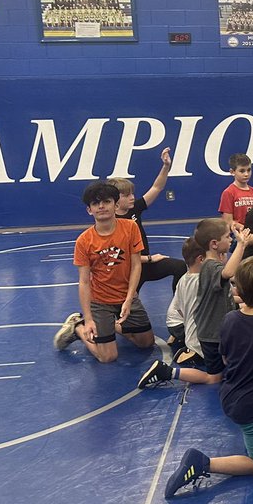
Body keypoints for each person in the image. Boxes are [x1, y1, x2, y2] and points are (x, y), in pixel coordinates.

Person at [163, 257, 253, 498]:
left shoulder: (229, 319)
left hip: (229, 394)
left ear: (238, 290)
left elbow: (225, 359)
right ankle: (203, 463)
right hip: (252, 406)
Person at [137, 218, 251, 388]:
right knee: (214, 377)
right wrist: (242, 245)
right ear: (214, 244)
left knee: (227, 361)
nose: (231, 240)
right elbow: (228, 272)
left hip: (213, 331)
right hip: (212, 335)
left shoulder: (208, 266)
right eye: (228, 237)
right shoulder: (211, 267)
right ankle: (167, 372)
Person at [55, 181, 153, 363]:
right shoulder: (84, 241)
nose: (101, 206)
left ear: (115, 205)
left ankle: (109, 326)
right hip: (100, 301)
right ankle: (79, 326)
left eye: (106, 201)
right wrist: (90, 318)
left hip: (126, 297)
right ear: (89, 210)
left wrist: (129, 299)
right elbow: (84, 282)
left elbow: (136, 265)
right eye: (95, 203)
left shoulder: (130, 228)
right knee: (108, 357)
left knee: (146, 343)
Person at [109, 147, 184, 294]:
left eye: (132, 194)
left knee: (179, 267)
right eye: (127, 195)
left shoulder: (134, 208)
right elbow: (122, 256)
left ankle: (179, 306)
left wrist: (166, 166)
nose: (132, 197)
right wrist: (149, 258)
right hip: (130, 270)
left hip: (147, 265)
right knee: (122, 309)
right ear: (115, 199)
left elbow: (157, 187)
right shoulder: (111, 222)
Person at [164, 236, 205, 362]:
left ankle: (179, 337)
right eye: (219, 255)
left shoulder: (186, 278)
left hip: (175, 323)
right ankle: (190, 351)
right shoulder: (198, 281)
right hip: (179, 325)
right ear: (201, 259)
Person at [218, 153, 253, 225]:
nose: (246, 174)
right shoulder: (228, 192)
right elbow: (227, 221)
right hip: (237, 234)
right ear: (232, 172)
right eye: (242, 171)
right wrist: (243, 229)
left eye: (249, 170)